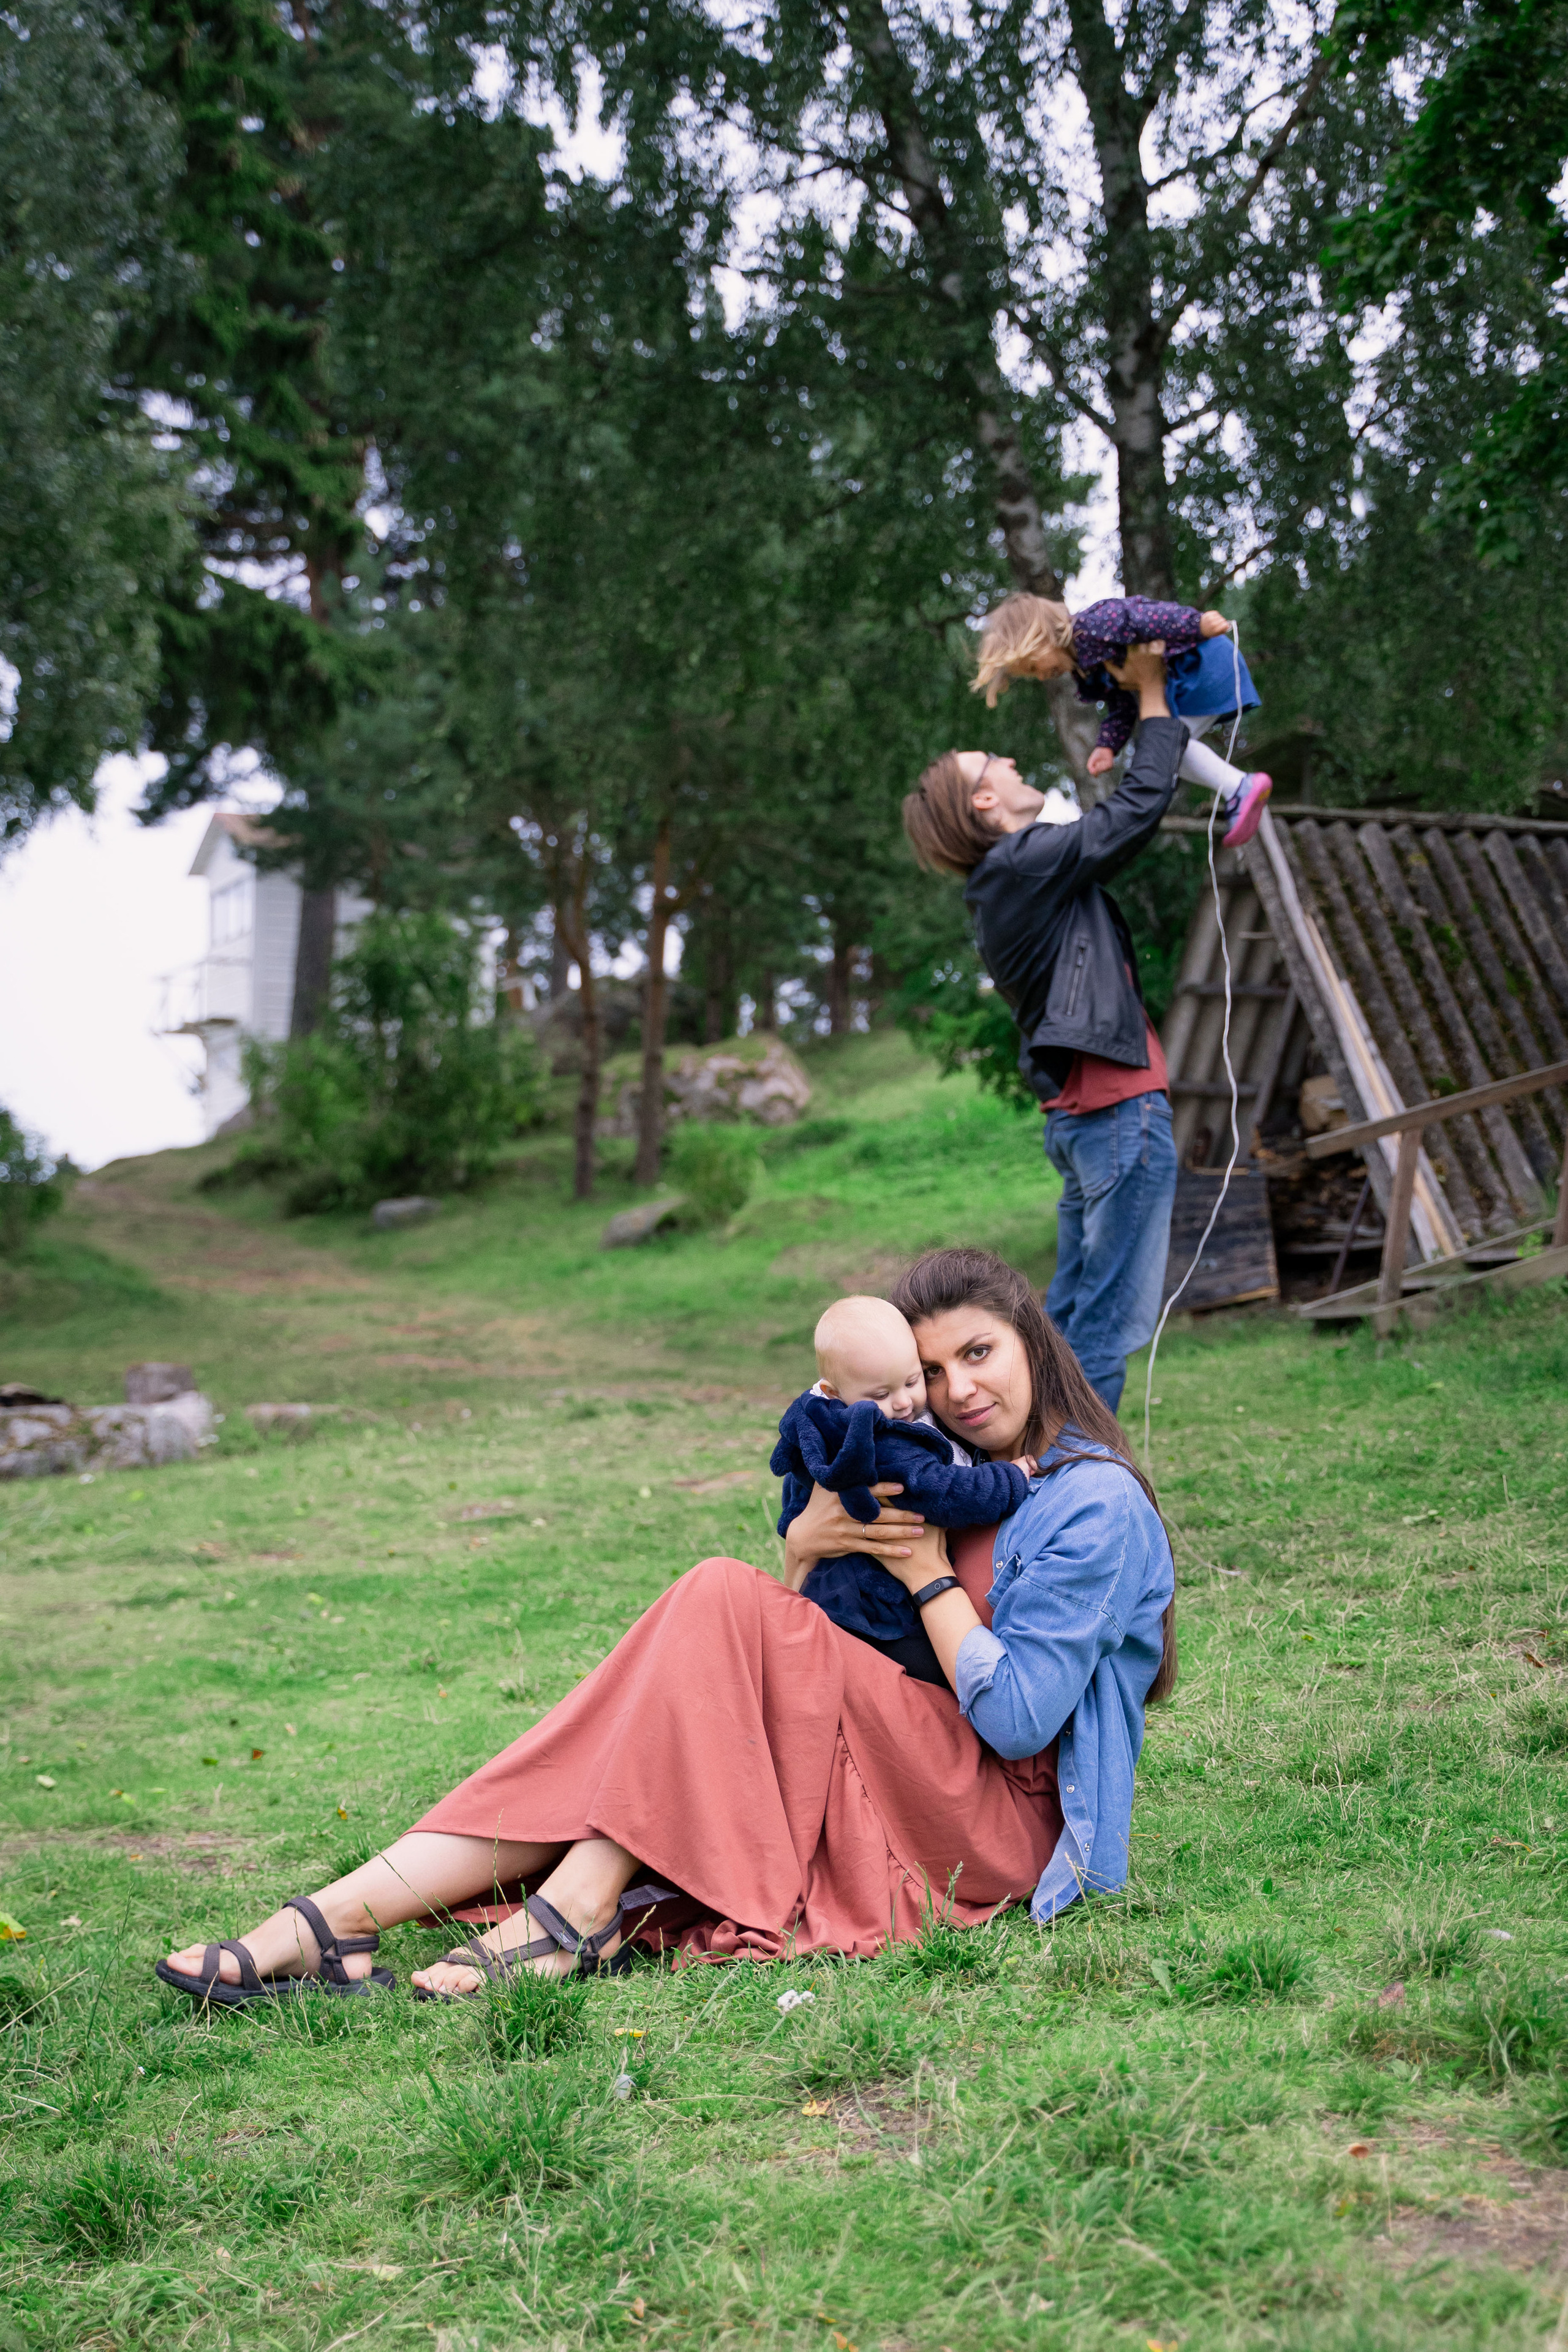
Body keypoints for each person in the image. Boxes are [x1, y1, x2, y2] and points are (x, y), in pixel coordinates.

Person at [154, 1249, 1175, 2005]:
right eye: (932, 1369)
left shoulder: (1091, 1504)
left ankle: (561, 1912)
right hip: (900, 1758)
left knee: (716, 1606)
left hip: (996, 1824)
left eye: (981, 1354)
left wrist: (918, 1574)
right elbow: (833, 1648)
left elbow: (1021, 1723)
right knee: (677, 1668)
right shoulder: (945, 1470)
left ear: (1034, 1339)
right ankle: (335, 1919)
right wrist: (810, 1557)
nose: (957, 1392)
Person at [902, 643, 1180, 1413]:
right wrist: (1152, 696)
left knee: (1061, 1327)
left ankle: (1029, 1492)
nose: (1011, 759)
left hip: (1089, 1121)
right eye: (991, 761)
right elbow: (1134, 813)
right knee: (1102, 1325)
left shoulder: (1009, 883)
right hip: (1117, 1114)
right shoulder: (1018, 867)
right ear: (985, 805)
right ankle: (1083, 1489)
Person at [772, 1293, 1035, 1686]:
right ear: (833, 1391)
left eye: (913, 1381)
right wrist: (1010, 1478)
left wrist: (796, 1533)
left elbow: (794, 1502)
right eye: (880, 1395)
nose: (902, 1403)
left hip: (836, 1595)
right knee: (934, 1684)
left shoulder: (816, 1421)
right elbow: (946, 1493)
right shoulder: (878, 1441)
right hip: (880, 1612)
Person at [973, 590, 1272, 848]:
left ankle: (1241, 787)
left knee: (1166, 750)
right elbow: (1122, 705)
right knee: (1165, 752)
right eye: (1032, 675)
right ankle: (1239, 788)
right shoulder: (1085, 669)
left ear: (1042, 634)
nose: (1041, 676)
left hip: (1204, 666)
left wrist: (1198, 624)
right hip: (1188, 681)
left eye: (1036, 665)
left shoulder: (1096, 625)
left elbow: (1153, 618)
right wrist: (1107, 746)